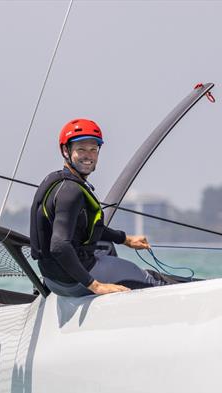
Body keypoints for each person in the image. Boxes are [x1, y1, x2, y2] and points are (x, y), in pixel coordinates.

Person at [29, 118, 165, 297]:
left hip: (52, 280)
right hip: (73, 282)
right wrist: (96, 286)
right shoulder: (71, 192)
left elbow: (89, 228)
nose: (89, 155)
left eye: (94, 149)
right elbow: (59, 246)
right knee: (152, 280)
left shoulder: (54, 180)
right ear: (65, 151)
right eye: (81, 149)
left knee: (106, 246)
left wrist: (125, 239)